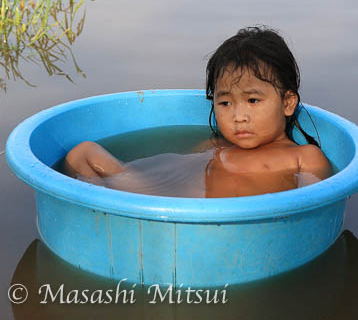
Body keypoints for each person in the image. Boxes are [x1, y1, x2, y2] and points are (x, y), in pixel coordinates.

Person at [64, 27, 332, 198]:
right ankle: (103, 212)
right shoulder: (215, 146)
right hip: (175, 209)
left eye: (252, 100)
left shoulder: (303, 157)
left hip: (249, 230)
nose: (238, 116)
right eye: (225, 103)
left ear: (287, 103)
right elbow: (176, 179)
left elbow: (313, 204)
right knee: (82, 154)